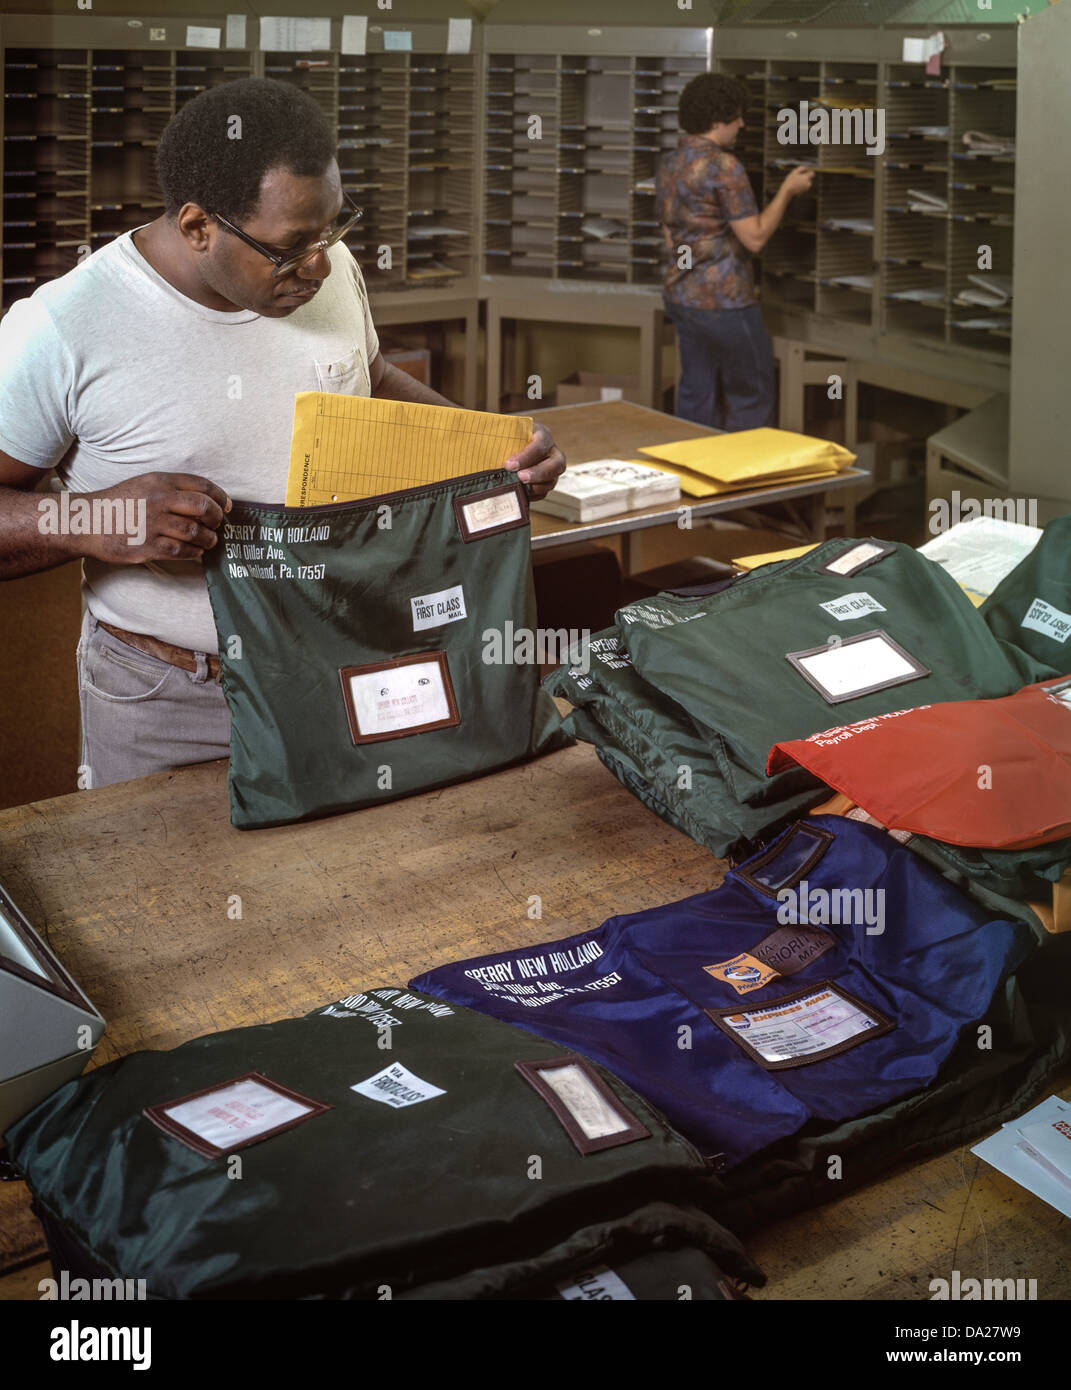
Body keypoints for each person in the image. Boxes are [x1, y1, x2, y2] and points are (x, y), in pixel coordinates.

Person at [0, 78, 566, 789]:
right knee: (173, 898)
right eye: (292, 247)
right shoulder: (59, 329)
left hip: (352, 665)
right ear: (198, 226)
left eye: (334, 228)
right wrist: (95, 519)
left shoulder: (325, 268)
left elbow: (368, 374)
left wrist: (490, 448)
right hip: (177, 699)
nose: (321, 265)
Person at [657, 72, 815, 431]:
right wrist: (788, 190)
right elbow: (755, 238)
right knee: (751, 396)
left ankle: (693, 478)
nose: (742, 124)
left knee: (696, 393)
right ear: (717, 121)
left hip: (682, 297)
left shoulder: (670, 163)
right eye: (737, 117)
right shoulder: (725, 166)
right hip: (726, 303)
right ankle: (746, 485)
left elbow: (671, 235)